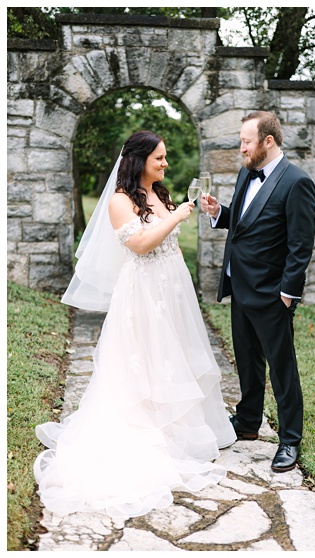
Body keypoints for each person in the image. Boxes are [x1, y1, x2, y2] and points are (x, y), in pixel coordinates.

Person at [38, 130, 235, 519]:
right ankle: (146, 430)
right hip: (141, 292)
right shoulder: (119, 201)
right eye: (159, 158)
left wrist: (178, 276)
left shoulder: (159, 195)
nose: (165, 163)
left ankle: (176, 428)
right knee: (144, 358)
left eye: (165, 157)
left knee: (173, 356)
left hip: (170, 290)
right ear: (139, 160)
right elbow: (140, 244)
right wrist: (178, 216)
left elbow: (169, 243)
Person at [199, 111, 315, 473]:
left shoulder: (297, 182)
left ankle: (290, 440)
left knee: (282, 369)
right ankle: (248, 421)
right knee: (247, 362)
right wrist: (221, 212)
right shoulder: (246, 172)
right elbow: (245, 221)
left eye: (246, 141)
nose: (241, 148)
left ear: (268, 141)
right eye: (240, 141)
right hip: (240, 286)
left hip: (271, 293)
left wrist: (288, 292)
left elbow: (301, 244)